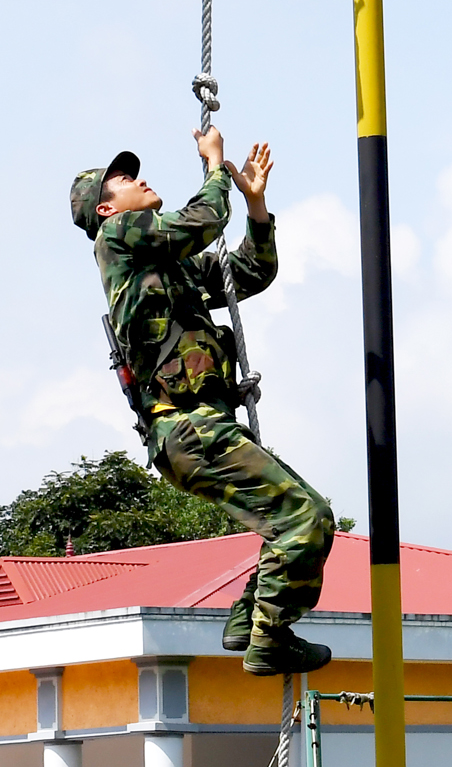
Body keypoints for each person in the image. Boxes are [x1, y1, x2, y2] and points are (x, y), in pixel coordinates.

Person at [69, 131, 335, 676]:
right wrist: (216, 168)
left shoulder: (171, 267)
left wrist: (257, 208)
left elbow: (249, 273)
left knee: (311, 514)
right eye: (125, 180)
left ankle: (249, 618)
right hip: (187, 427)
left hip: (202, 427)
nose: (140, 180)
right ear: (107, 208)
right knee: (302, 518)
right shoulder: (117, 238)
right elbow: (205, 220)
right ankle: (270, 637)